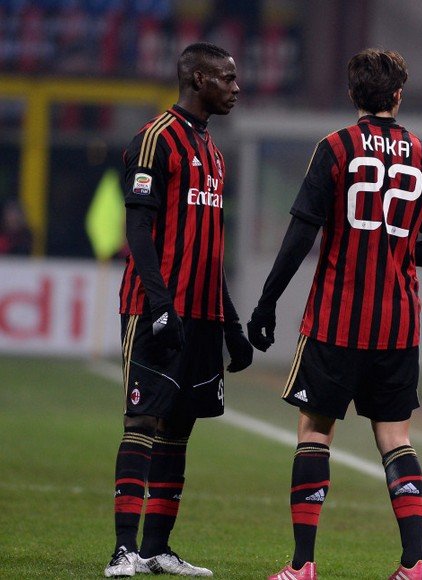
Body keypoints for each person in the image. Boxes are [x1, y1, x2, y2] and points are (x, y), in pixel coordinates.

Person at [246, 48, 422, 580]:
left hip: (336, 319)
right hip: (399, 323)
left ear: (353, 95)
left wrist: (267, 301)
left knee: (315, 432)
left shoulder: (335, 148)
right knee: (396, 438)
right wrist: (393, 244)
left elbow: (301, 233)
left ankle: (302, 565)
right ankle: (414, 563)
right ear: (398, 96)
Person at [104, 42, 253, 578]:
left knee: (180, 427)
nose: (236, 87)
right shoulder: (155, 139)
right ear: (197, 79)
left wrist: (232, 326)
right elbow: (139, 229)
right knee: (143, 417)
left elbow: (209, 250)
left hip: (203, 315)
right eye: (227, 78)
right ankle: (123, 550)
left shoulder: (213, 151)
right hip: (155, 308)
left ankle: (156, 548)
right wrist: (160, 304)